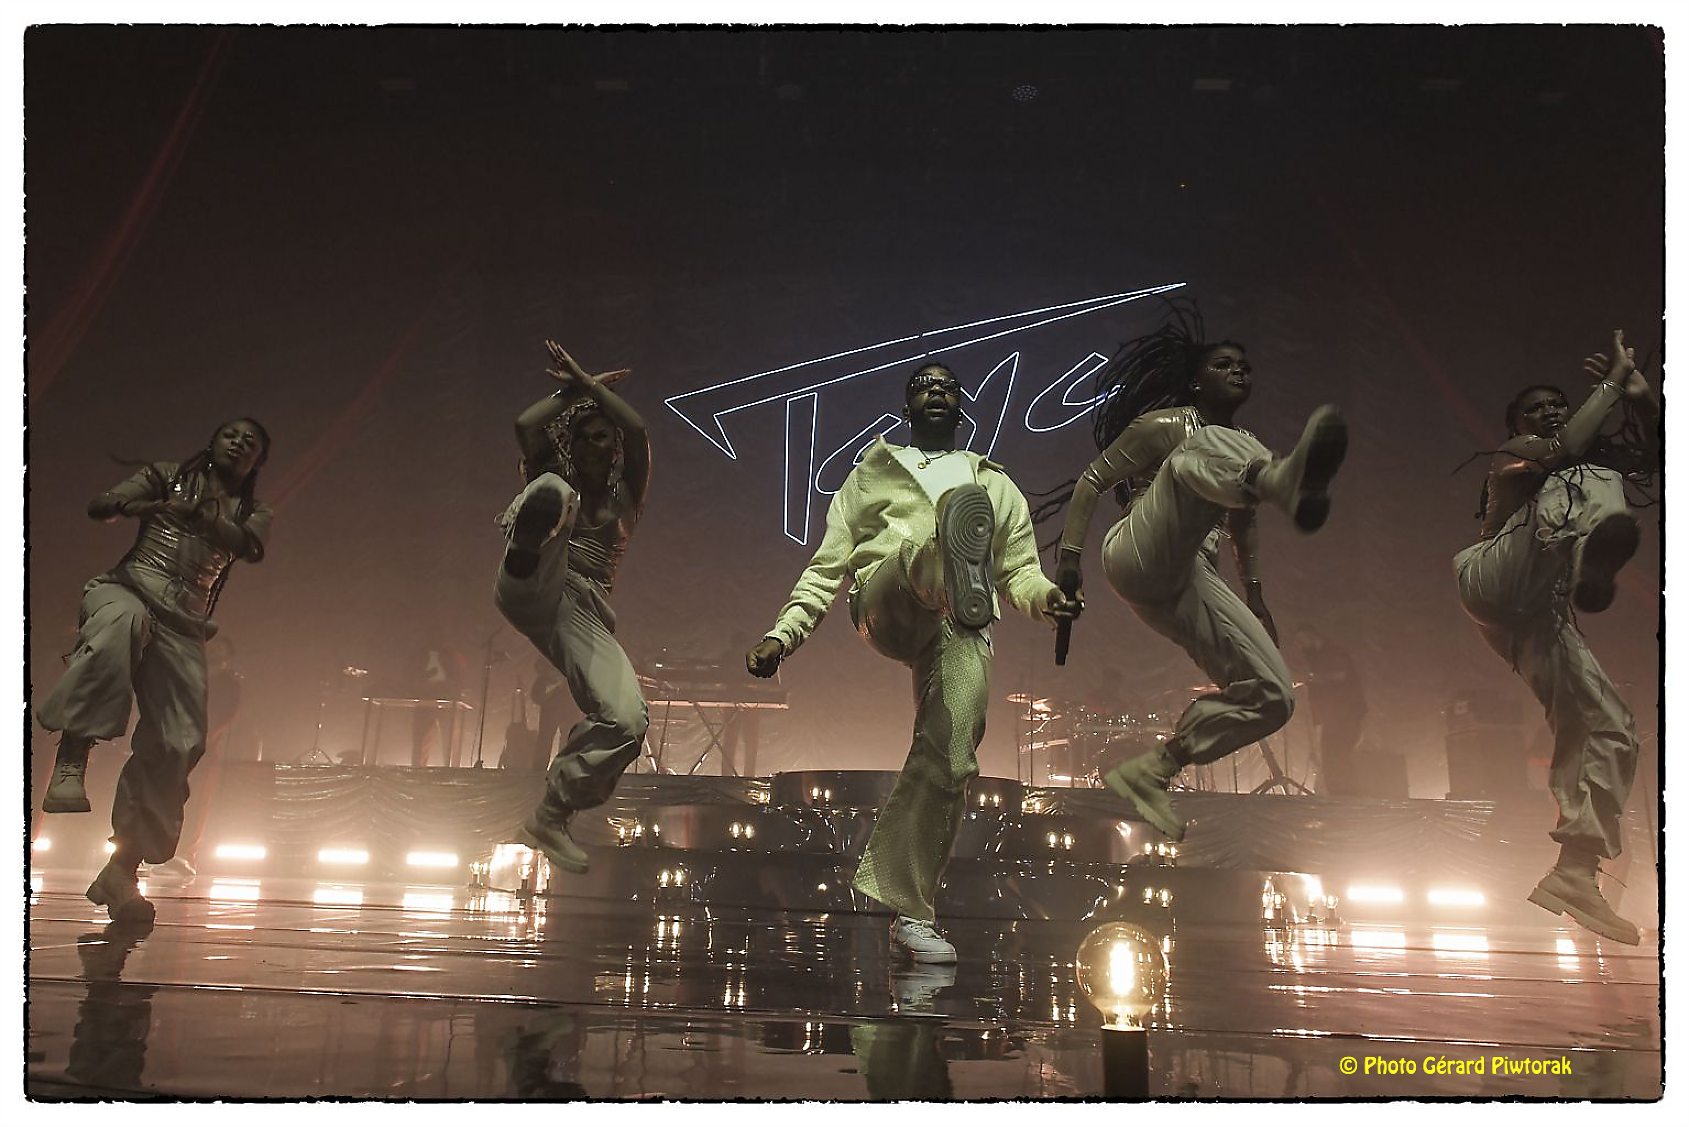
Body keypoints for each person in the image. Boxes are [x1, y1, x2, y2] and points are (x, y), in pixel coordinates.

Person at [745, 361, 1082, 963]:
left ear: (962, 407)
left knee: (953, 757)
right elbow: (827, 568)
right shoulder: (872, 474)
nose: (937, 393)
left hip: (962, 622)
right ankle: (944, 557)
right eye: (925, 386)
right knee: (922, 559)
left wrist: (1048, 600)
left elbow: (1020, 574)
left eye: (949, 387)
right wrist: (783, 635)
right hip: (889, 597)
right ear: (906, 408)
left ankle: (912, 914)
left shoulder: (995, 485)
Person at [1051, 304, 1345, 841]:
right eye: (1223, 364)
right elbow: (1093, 480)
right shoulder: (1166, 427)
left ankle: (1155, 770)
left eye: (1245, 367)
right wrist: (1069, 559)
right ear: (1195, 381)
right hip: (1138, 551)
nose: (1238, 371)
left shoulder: (1242, 443)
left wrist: (1255, 597)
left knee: (1274, 694)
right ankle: (1278, 480)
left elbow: (1243, 528)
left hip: (1190, 576)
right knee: (1196, 453)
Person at [1454, 329, 1655, 945]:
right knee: (1588, 475)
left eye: (1558, 404)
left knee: (1611, 730)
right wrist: (1610, 386)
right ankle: (1591, 553)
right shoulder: (1516, 456)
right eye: (1536, 408)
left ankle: (1576, 870)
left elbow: (1660, 459)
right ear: (1517, 425)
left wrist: (1643, 400)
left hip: (1537, 615)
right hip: (1494, 575)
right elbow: (1565, 448)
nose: (1549, 412)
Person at [37, 418, 273, 923]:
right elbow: (100, 505)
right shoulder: (168, 475)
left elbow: (250, 545)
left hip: (184, 622)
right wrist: (136, 504)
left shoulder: (252, 511)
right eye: (231, 434)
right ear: (212, 442)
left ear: (258, 461)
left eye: (250, 442)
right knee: (121, 625)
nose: (239, 442)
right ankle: (73, 753)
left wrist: (198, 513)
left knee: (179, 742)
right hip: (126, 589)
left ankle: (122, 869)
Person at [496, 341, 650, 877]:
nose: (589, 445)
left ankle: (552, 814)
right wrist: (572, 394)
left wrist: (588, 385)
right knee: (552, 488)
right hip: (536, 581)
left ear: (614, 449)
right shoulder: (559, 473)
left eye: (600, 437)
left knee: (628, 719)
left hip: (580, 612)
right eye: (581, 436)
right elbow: (525, 424)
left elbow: (638, 431)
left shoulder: (628, 494)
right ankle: (525, 543)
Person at [1292, 624, 1368, 796]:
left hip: (1345, 715)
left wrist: (1309, 680)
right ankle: (1341, 796)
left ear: (1312, 636)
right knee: (1332, 758)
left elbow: (1338, 676)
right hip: (1334, 716)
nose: (1299, 646)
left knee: (1338, 757)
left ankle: (1347, 796)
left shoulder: (1333, 652)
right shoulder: (1319, 657)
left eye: (1301, 641)